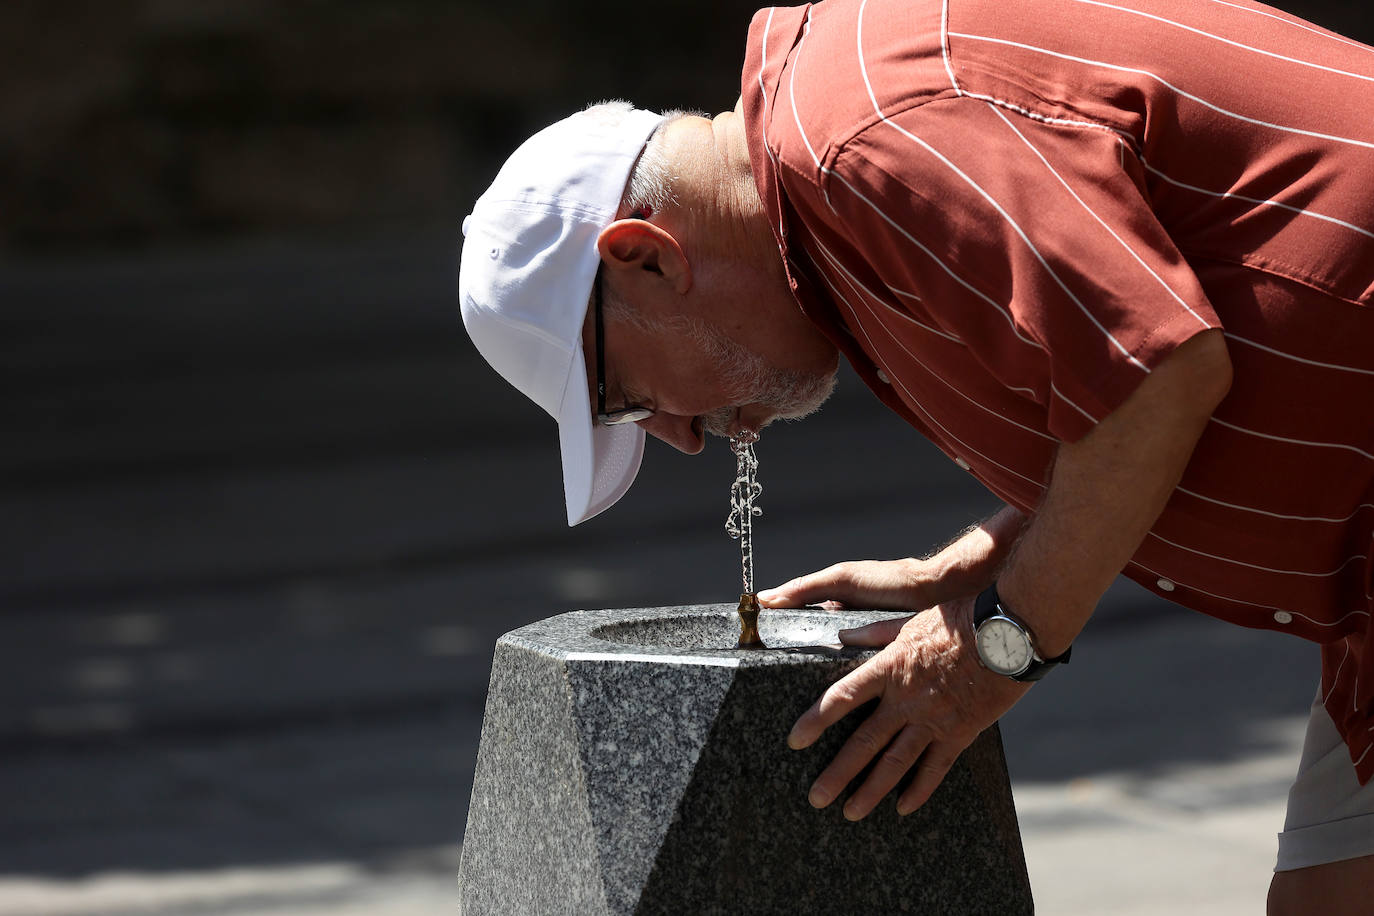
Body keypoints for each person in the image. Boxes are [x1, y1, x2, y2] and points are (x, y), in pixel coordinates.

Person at [457, 0, 1374, 910]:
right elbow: (1123, 394)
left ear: (645, 257)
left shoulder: (866, 136)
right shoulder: (831, 215)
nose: (684, 437)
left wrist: (995, 649)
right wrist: (980, 561)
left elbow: (1159, 372)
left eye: (631, 402)